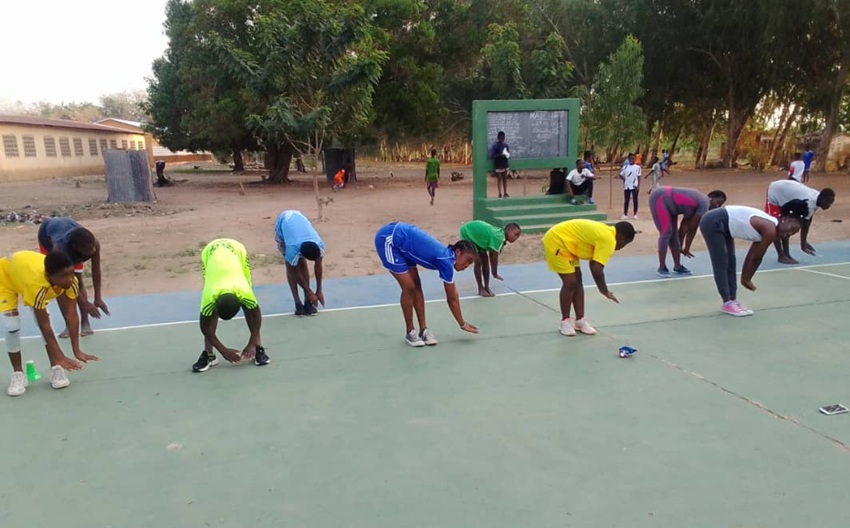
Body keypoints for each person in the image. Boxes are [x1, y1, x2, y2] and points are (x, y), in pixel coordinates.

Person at [1, 250, 99, 396]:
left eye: (71, 273)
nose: (69, 279)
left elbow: (72, 316)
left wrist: (76, 350)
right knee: (12, 326)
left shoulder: (71, 282)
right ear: (49, 277)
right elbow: (44, 325)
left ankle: (56, 367)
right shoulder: (36, 285)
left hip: (25, 272)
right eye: (63, 276)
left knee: (44, 318)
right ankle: (18, 374)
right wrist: (60, 355)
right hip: (6, 277)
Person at [374, 222, 479, 346]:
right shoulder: (446, 261)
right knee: (409, 286)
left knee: (416, 285)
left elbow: (453, 295)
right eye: (467, 260)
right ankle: (410, 332)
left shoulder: (447, 258)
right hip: (389, 239)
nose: (467, 266)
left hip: (405, 246)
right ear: (458, 252)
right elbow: (452, 298)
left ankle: (424, 330)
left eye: (470, 263)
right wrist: (462, 324)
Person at [698, 201, 807, 316]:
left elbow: (752, 255)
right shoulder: (769, 229)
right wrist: (746, 279)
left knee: (731, 262)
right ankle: (727, 302)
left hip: (726, 227)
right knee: (721, 262)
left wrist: (746, 278)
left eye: (792, 234)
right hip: (713, 221)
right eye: (791, 229)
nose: (788, 234)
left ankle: (732, 301)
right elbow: (756, 257)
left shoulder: (770, 230)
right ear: (785, 220)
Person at [542, 219, 636, 337]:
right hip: (557, 240)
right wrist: (604, 291)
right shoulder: (609, 240)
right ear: (622, 238)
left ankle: (580, 320)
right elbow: (597, 271)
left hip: (570, 245)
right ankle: (565, 321)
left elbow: (594, 264)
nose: (622, 247)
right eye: (625, 244)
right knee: (570, 282)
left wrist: (603, 289)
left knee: (578, 279)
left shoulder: (607, 234)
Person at [194, 238, 268, 373]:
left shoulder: (244, 292)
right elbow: (204, 327)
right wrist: (223, 350)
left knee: (250, 308)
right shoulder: (209, 295)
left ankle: (257, 347)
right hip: (210, 251)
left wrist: (252, 342)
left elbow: (256, 315)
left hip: (236, 250)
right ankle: (209, 355)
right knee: (209, 314)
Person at [37, 217, 110, 338]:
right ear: (76, 248)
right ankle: (68, 325)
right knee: (60, 284)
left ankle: (85, 322)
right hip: (47, 237)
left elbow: (96, 270)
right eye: (88, 251)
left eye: (93, 248)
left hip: (68, 234)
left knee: (79, 279)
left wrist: (98, 298)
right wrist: (86, 302)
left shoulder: (93, 244)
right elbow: (68, 283)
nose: (92, 251)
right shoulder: (59, 249)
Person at [649, 187, 726, 277]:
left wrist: (681, 246)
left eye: (719, 205)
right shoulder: (704, 203)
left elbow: (684, 226)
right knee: (666, 232)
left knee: (673, 234)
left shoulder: (699, 203)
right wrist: (686, 248)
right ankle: (662, 267)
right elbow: (692, 228)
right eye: (717, 202)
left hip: (671, 206)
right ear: (711, 197)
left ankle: (677, 266)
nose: (716, 206)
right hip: (659, 198)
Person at [765, 179, 835, 264]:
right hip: (776, 191)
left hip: (788, 195)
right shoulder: (807, 203)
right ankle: (781, 256)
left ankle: (787, 254)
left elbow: (808, 220)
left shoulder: (816, 200)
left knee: (787, 226)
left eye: (831, 203)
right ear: (822, 199)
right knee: (775, 225)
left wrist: (803, 243)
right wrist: (803, 244)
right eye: (828, 202)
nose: (829, 206)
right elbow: (804, 223)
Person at [274, 210, 325, 316]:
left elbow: (318, 266)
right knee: (292, 266)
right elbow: (297, 274)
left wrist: (319, 290)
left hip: (298, 218)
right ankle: (298, 303)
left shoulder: (319, 245)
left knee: (302, 263)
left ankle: (307, 302)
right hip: (283, 225)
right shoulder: (293, 249)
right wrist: (310, 292)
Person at [459, 221, 521, 297]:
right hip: (468, 232)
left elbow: (492, 254)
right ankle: (480, 288)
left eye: (517, 237)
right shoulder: (498, 237)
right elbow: (494, 257)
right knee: (478, 261)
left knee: (485, 259)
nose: (516, 238)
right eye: (515, 234)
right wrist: (494, 273)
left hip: (479, 238)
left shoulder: (501, 237)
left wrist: (494, 272)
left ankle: (487, 287)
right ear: (508, 230)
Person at [619, 153, 641, 219]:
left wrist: (638, 186)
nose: (632, 160)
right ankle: (625, 214)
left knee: (635, 200)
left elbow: (639, 177)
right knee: (626, 200)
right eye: (630, 158)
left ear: (635, 159)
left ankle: (635, 214)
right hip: (627, 186)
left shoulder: (637, 167)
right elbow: (620, 174)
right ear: (628, 159)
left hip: (634, 186)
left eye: (633, 158)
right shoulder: (625, 167)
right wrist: (624, 179)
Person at [490, 131, 511, 198]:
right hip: (498, 164)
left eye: (503, 138)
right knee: (499, 179)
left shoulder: (506, 145)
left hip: (504, 164)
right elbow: (493, 156)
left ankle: (505, 193)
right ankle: (499, 193)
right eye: (501, 138)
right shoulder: (495, 146)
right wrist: (500, 155)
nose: (502, 139)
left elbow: (508, 155)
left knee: (505, 179)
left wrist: (506, 155)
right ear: (498, 138)